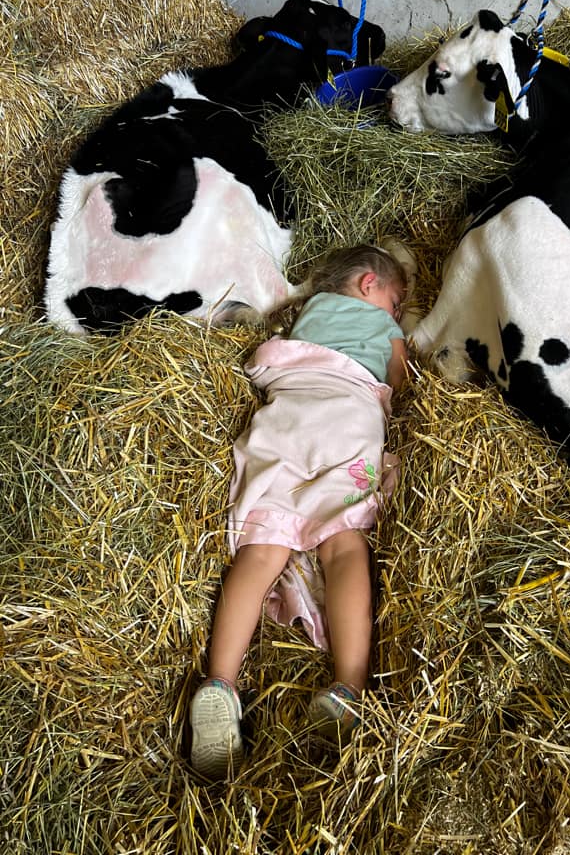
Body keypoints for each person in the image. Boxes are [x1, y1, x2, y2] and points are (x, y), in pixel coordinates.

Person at [189, 243, 409, 778]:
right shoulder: (386, 329)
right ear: (369, 285)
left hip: (282, 425)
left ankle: (219, 682)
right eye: (396, 301)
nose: (397, 312)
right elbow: (402, 382)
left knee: (261, 551)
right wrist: (397, 347)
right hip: (346, 424)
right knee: (343, 546)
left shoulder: (307, 315)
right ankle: (348, 687)